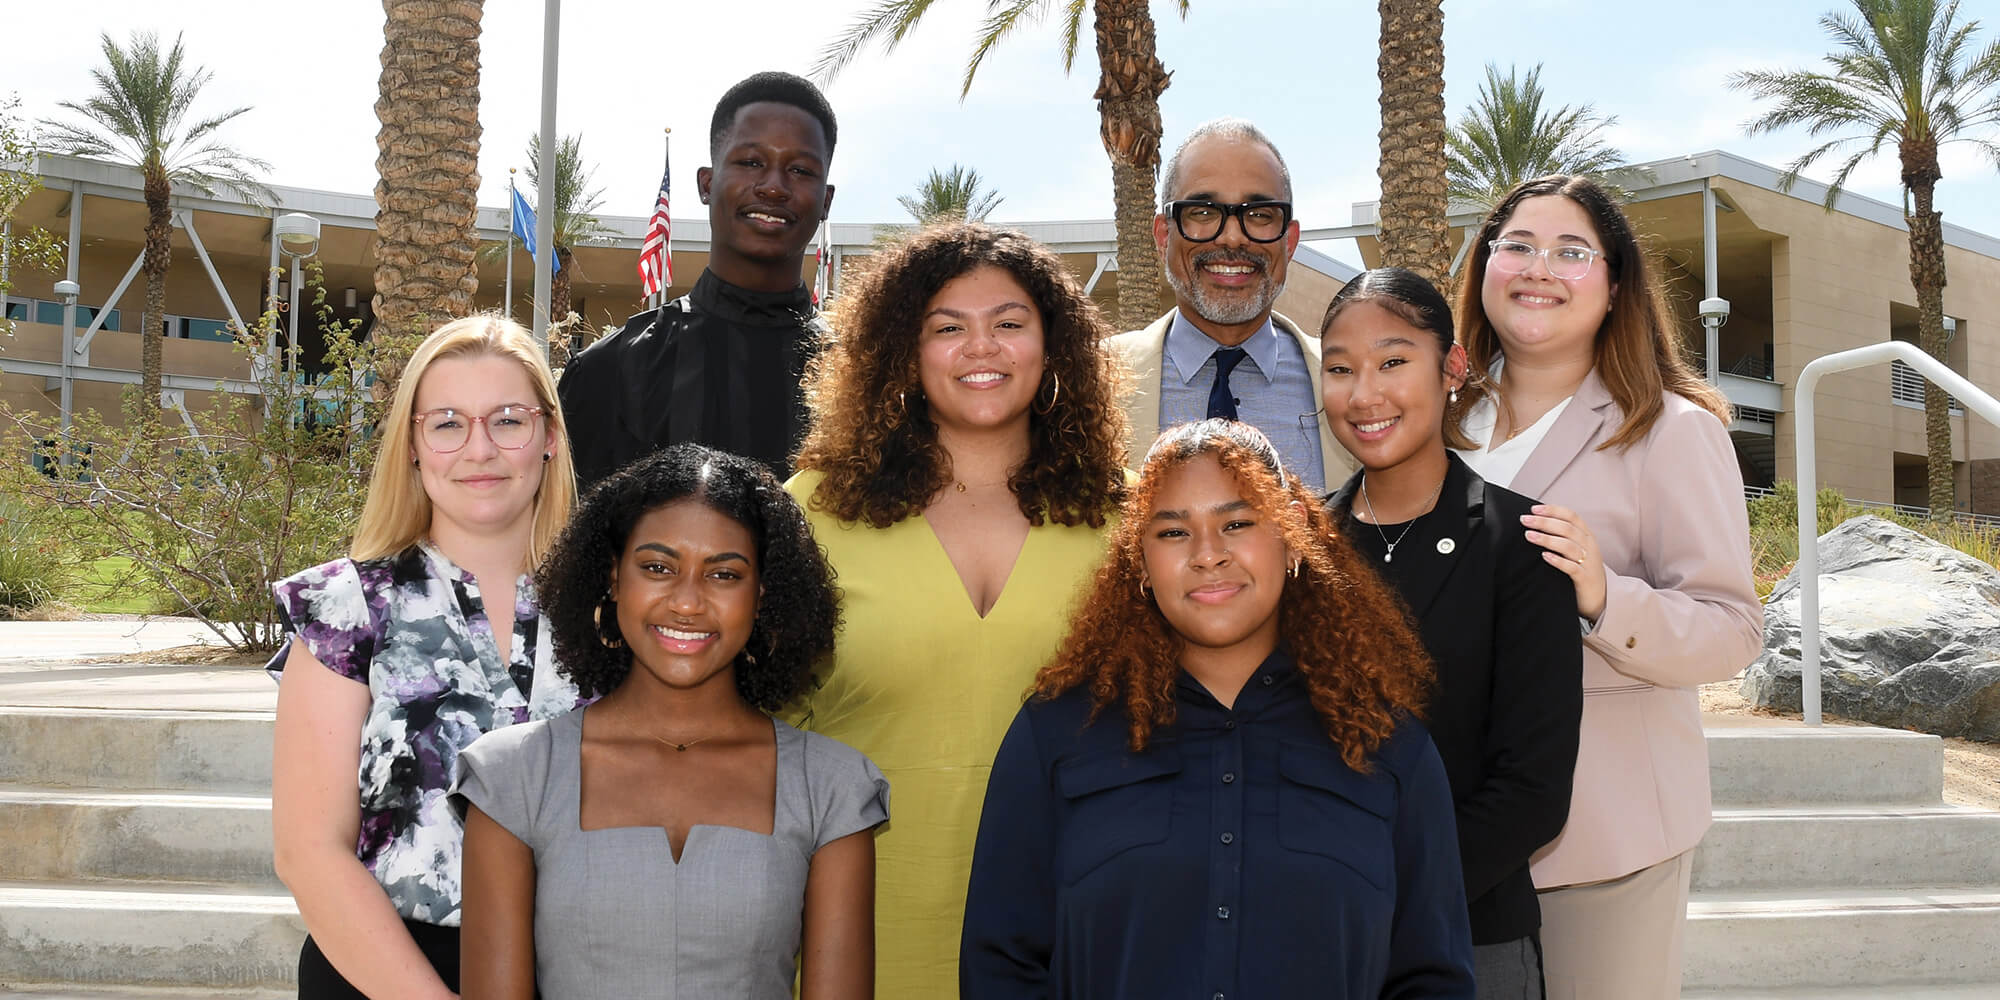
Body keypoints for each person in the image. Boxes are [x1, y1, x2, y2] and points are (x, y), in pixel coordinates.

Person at [961, 418, 1474, 999]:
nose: (1208, 555)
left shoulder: (1388, 742)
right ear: (1139, 561)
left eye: (1236, 523)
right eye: (1174, 533)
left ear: (1292, 534)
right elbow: (1001, 964)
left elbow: (1433, 978)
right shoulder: (1056, 733)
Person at [786, 222, 1131, 997]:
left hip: (1077, 941)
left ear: (1052, 349)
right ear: (904, 355)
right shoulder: (809, 514)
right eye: (948, 328)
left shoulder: (1134, 517)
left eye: (1009, 324)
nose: (982, 348)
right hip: (853, 936)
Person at [1452, 174, 1764, 999]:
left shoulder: (1672, 429)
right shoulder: (1438, 422)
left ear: (1615, 282)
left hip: (1608, 837)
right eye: (1516, 245)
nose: (1538, 268)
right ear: (1483, 265)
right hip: (1453, 827)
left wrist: (1602, 595)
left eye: (1570, 252)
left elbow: (1731, 628)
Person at [455, 444, 883, 1000]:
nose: (687, 602)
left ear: (763, 596)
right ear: (613, 578)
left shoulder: (832, 789)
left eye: (724, 575)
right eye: (657, 567)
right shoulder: (513, 778)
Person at [269, 314, 586, 999]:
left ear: (550, 436)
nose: (480, 450)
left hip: (581, 970)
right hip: (386, 972)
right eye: (447, 423)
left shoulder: (615, 611)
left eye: (508, 420)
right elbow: (308, 852)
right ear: (412, 445)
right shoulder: (344, 608)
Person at [1319, 267, 1584, 997]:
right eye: (1340, 369)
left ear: (1453, 369)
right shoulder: (1296, 545)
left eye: (1394, 362)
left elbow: (1532, 789)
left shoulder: (1521, 545)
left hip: (1471, 934)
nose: (1364, 394)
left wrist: (1388, 888)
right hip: (1311, 934)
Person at [558, 70, 837, 487]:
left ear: (826, 200)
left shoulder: (867, 378)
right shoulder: (612, 371)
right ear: (707, 183)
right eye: (751, 162)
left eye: (800, 170)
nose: (774, 187)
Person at [1102, 117, 1353, 493]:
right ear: (1162, 235)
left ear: (1290, 240)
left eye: (1260, 215)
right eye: (1203, 213)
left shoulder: (1356, 388)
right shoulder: (1095, 382)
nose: (1233, 237)